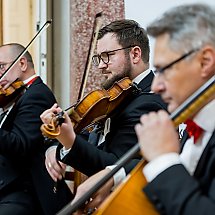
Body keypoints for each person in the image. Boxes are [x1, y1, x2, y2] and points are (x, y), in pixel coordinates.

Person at [40, 19, 167, 206]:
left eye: (107, 56)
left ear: (135, 54)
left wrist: (69, 142)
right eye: (98, 58)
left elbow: (113, 167)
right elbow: (91, 137)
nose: (100, 66)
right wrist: (57, 146)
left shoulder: (148, 102)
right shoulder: (117, 97)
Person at [135, 3, 215, 215]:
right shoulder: (192, 123)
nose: (155, 86)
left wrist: (164, 161)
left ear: (205, 61)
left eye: (163, 70)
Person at [0, 43, 72, 215]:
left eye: (1, 66)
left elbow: (20, 145)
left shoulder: (36, 94)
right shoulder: (14, 96)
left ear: (22, 63)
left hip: (23, 194)